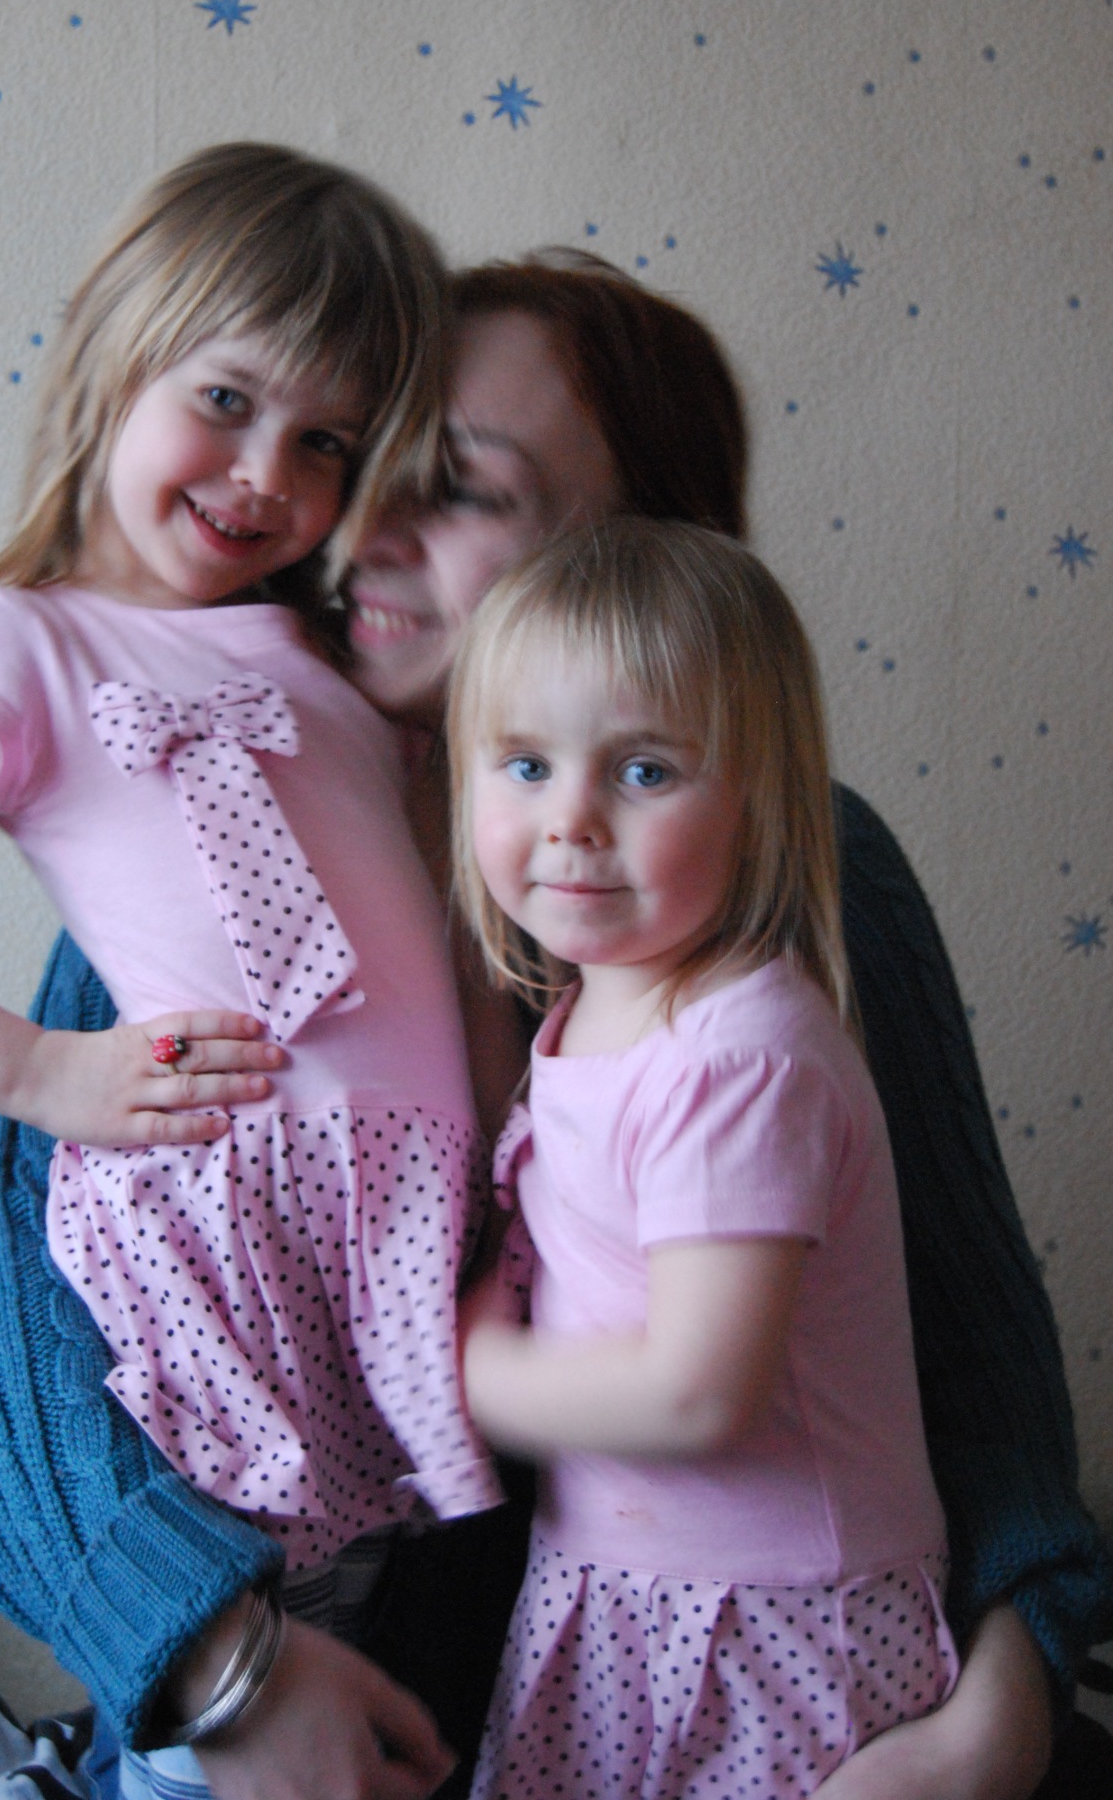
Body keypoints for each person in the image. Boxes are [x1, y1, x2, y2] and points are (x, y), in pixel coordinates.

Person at [0, 254, 1110, 1800]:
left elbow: (966, 1350)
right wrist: (226, 1674)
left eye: (462, 489)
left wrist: (1000, 1715)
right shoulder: (211, 811)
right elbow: (2, 1308)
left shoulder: (798, 873)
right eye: (364, 464)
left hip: (750, 1699)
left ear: (643, 558)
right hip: (300, 1702)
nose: (361, 527)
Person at [0, 141, 524, 1799]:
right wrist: (40, 1070)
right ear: (115, 355)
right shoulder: (17, 637)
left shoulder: (324, 654)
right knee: (236, 1669)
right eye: (226, 400)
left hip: (400, 1225)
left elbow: (435, 930)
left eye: (324, 442)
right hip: (215, 1224)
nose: (265, 473)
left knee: (390, 1642)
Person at [450, 515, 957, 1796]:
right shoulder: (598, 1004)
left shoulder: (737, 1058)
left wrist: (468, 1374)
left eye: (644, 770)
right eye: (524, 763)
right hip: (634, 1581)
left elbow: (694, 1392)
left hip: (769, 1620)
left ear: (760, 798)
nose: (570, 819)